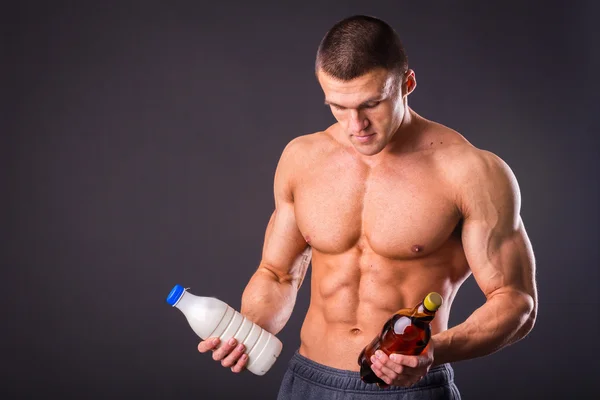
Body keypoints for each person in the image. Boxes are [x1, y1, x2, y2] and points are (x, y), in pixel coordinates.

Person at [197, 15, 538, 399]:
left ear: (406, 84)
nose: (355, 124)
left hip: (411, 387)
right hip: (309, 383)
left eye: (371, 104)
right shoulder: (302, 158)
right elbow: (277, 274)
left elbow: (515, 301)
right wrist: (249, 330)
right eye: (338, 107)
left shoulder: (470, 172)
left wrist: (434, 351)